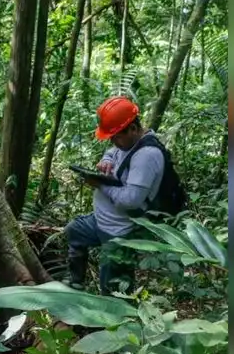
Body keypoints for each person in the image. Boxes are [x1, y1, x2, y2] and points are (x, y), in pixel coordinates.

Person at [65, 96, 167, 295]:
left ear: (133, 128)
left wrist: (99, 185)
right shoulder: (128, 144)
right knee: (74, 230)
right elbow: (112, 151)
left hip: (120, 231)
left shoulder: (147, 156)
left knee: (113, 291)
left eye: (116, 136)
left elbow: (131, 199)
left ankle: (115, 323)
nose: (113, 141)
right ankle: (75, 283)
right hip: (102, 221)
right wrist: (106, 160)